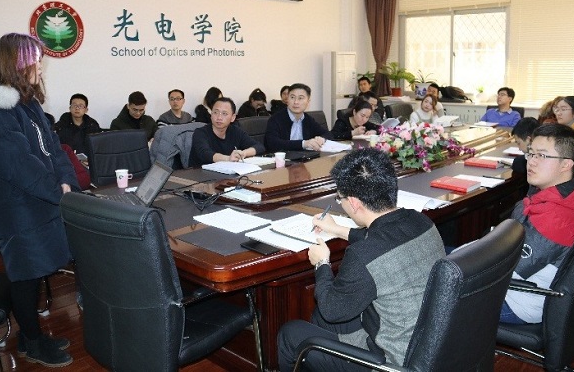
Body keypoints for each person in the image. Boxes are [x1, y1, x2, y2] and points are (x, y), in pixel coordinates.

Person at [277, 148, 445, 371]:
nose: (341, 203)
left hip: (392, 361)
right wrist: (338, 230)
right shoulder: (420, 221)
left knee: (290, 334)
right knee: (322, 316)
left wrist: (321, 264)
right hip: (431, 342)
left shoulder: (362, 256)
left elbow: (332, 310)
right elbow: (383, 237)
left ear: (354, 203)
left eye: (340, 198)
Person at [0, 33, 78, 367]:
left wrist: (66, 181)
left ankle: (27, 338)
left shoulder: (28, 104)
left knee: (33, 274)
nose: (40, 67)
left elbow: (55, 149)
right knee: (25, 276)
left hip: (38, 204)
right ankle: (33, 343)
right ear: (18, 65)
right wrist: (58, 191)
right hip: (17, 211)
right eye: (35, 61)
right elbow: (22, 167)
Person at [500, 124, 574, 324]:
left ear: (566, 164)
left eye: (542, 155)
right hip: (541, 286)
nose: (531, 162)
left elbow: (508, 267)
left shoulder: (555, 219)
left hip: (520, 300)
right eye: (531, 153)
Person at [190, 97, 264, 167]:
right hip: (200, 173)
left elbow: (259, 147)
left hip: (227, 172)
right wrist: (228, 158)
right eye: (215, 112)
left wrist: (243, 153)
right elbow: (205, 154)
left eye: (224, 113)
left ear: (233, 118)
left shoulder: (236, 131)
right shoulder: (200, 133)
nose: (219, 117)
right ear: (211, 114)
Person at [264, 83, 332, 152]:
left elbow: (328, 134)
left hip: (304, 157)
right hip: (284, 157)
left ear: (308, 102)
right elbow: (272, 144)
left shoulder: (308, 119)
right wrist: (303, 144)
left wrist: (322, 139)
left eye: (300, 98)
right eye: (292, 97)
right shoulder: (275, 119)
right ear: (287, 100)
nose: (296, 102)